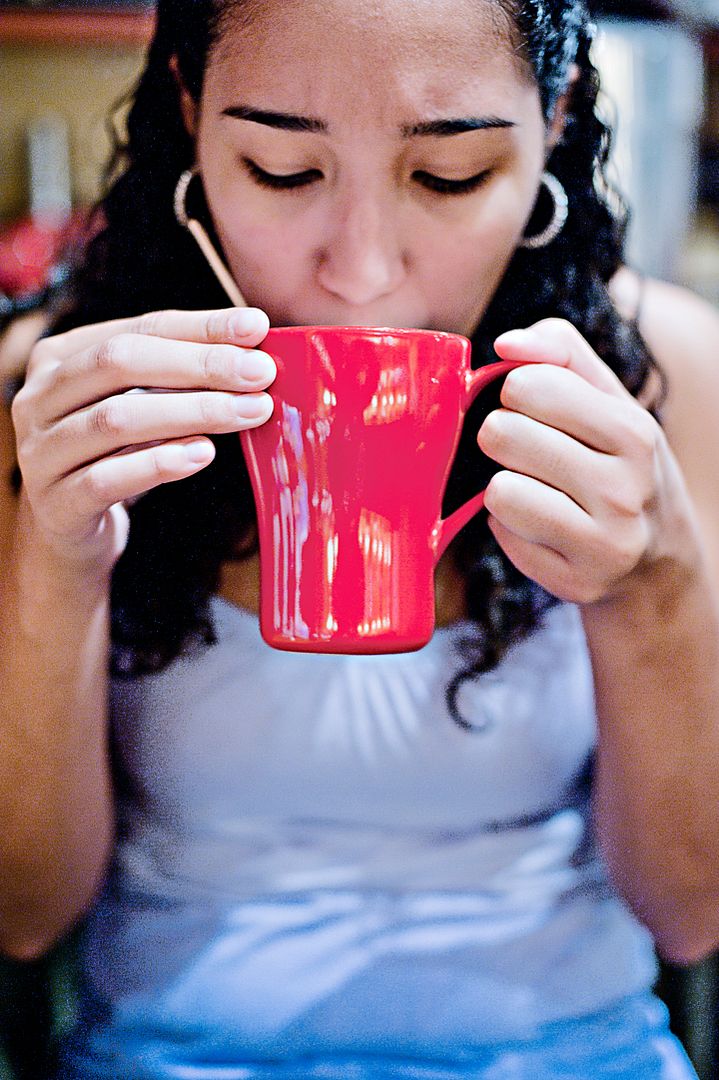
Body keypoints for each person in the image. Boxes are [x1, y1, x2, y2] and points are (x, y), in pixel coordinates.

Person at [2, 0, 719, 1076]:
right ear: (191, 116)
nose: (362, 274)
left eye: (450, 177)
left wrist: (656, 590)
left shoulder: (670, 381)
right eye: (283, 170)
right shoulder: (60, 397)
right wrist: (54, 571)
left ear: (553, 125)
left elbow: (692, 914)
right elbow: (23, 914)